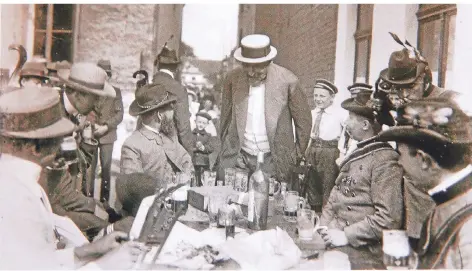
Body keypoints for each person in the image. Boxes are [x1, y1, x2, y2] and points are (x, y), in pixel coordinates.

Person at [0, 87, 144, 269]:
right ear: (35, 148)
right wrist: (105, 265)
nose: (62, 146)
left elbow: (37, 259)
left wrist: (85, 251)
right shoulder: (15, 197)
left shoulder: (20, 180)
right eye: (58, 139)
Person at [369, 98, 472, 269]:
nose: (399, 163)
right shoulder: (450, 201)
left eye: (400, 154)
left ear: (424, 160)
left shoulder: (468, 224)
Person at [375, 42, 460, 245]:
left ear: (425, 79)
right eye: (398, 88)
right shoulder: (400, 100)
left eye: (410, 87)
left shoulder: (451, 101)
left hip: (441, 198)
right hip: (410, 195)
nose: (403, 96)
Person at [319, 90, 404, 270]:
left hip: (362, 249)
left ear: (365, 125)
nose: (345, 122)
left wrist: (346, 235)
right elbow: (337, 193)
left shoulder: (385, 160)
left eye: (350, 118)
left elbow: (389, 218)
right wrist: (323, 227)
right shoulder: (360, 150)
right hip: (335, 235)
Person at [218, 34, 311, 185]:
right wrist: (228, 149)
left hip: (272, 160)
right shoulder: (232, 79)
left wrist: (295, 155)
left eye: (257, 67)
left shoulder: (288, 81)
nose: (250, 72)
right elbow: (225, 118)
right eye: (246, 65)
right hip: (239, 158)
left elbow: (304, 123)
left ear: (269, 62)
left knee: (268, 205)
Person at [49, 62, 118, 239]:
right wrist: (93, 206)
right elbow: (59, 190)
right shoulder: (54, 116)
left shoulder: (71, 114)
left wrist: (87, 141)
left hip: (65, 199)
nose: (96, 105)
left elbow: (78, 165)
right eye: (95, 98)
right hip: (50, 206)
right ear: (79, 95)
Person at [121, 83, 193, 187]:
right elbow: (133, 189)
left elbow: (186, 161)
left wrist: (185, 176)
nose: (173, 113)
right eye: (171, 108)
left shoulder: (170, 136)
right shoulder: (132, 145)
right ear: (160, 115)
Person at [304, 79, 346, 209]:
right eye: (315, 95)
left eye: (322, 96)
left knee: (328, 186)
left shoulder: (340, 114)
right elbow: (308, 135)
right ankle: (314, 212)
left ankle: (326, 217)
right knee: (312, 183)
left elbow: (347, 134)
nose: (318, 99)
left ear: (332, 97)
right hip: (313, 150)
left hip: (330, 153)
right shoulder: (312, 114)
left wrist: (342, 153)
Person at [90, 59, 124, 203]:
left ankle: (104, 201)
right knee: (89, 170)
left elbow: (119, 115)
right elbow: (87, 110)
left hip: (108, 135)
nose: (103, 78)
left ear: (109, 76)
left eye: (106, 75)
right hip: (90, 134)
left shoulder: (116, 92)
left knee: (105, 169)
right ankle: (88, 198)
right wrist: (92, 126)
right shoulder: (91, 90)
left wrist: (106, 126)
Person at [151, 44, 193, 156]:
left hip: (145, 143)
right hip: (167, 146)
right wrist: (189, 153)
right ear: (175, 68)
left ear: (158, 66)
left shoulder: (149, 84)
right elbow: (183, 125)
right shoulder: (178, 89)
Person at [192, 111, 217, 185]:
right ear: (195, 122)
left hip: (204, 162)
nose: (201, 124)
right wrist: (194, 148)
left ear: (207, 124)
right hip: (193, 161)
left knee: (203, 179)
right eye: (199, 122)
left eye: (203, 123)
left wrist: (203, 148)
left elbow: (211, 147)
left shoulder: (208, 136)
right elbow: (188, 145)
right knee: (193, 178)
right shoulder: (191, 134)